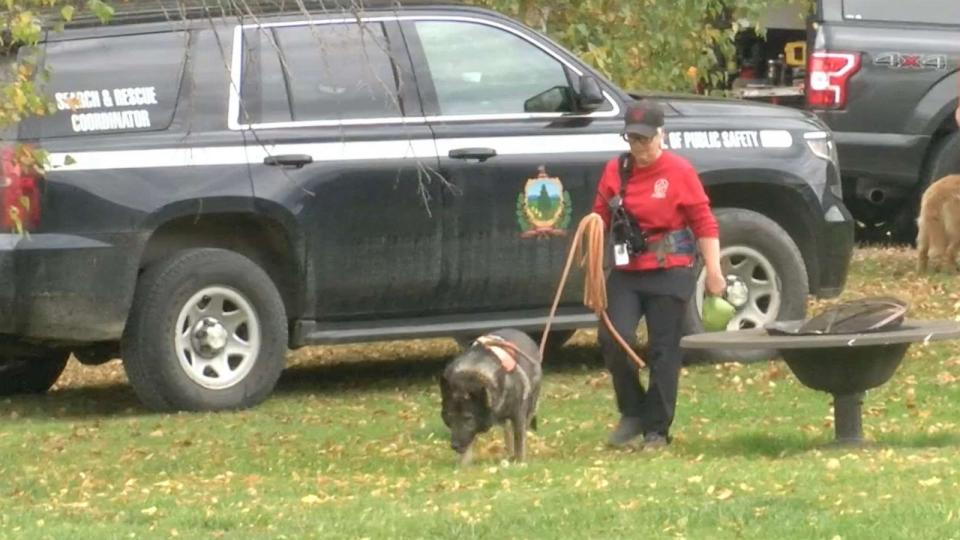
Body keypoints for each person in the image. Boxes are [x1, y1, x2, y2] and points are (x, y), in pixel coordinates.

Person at [592, 99, 726, 450]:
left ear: (662, 135)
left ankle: (657, 429)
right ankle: (633, 411)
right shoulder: (615, 171)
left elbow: (703, 222)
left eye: (647, 140)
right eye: (634, 140)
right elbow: (598, 217)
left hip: (671, 270)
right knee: (612, 339)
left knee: (664, 350)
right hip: (626, 271)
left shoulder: (680, 172)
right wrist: (587, 239)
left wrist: (714, 271)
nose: (641, 147)